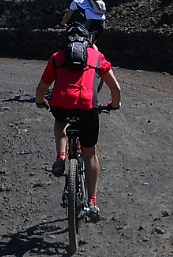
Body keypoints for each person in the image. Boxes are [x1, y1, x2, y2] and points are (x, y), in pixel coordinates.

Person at [35, 36, 121, 221]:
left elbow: (42, 88)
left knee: (60, 122)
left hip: (61, 104)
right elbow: (116, 89)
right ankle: (92, 202)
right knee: (90, 153)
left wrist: (40, 101)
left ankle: (61, 157)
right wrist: (114, 104)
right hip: (87, 107)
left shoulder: (57, 57)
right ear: (89, 43)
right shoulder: (96, 57)